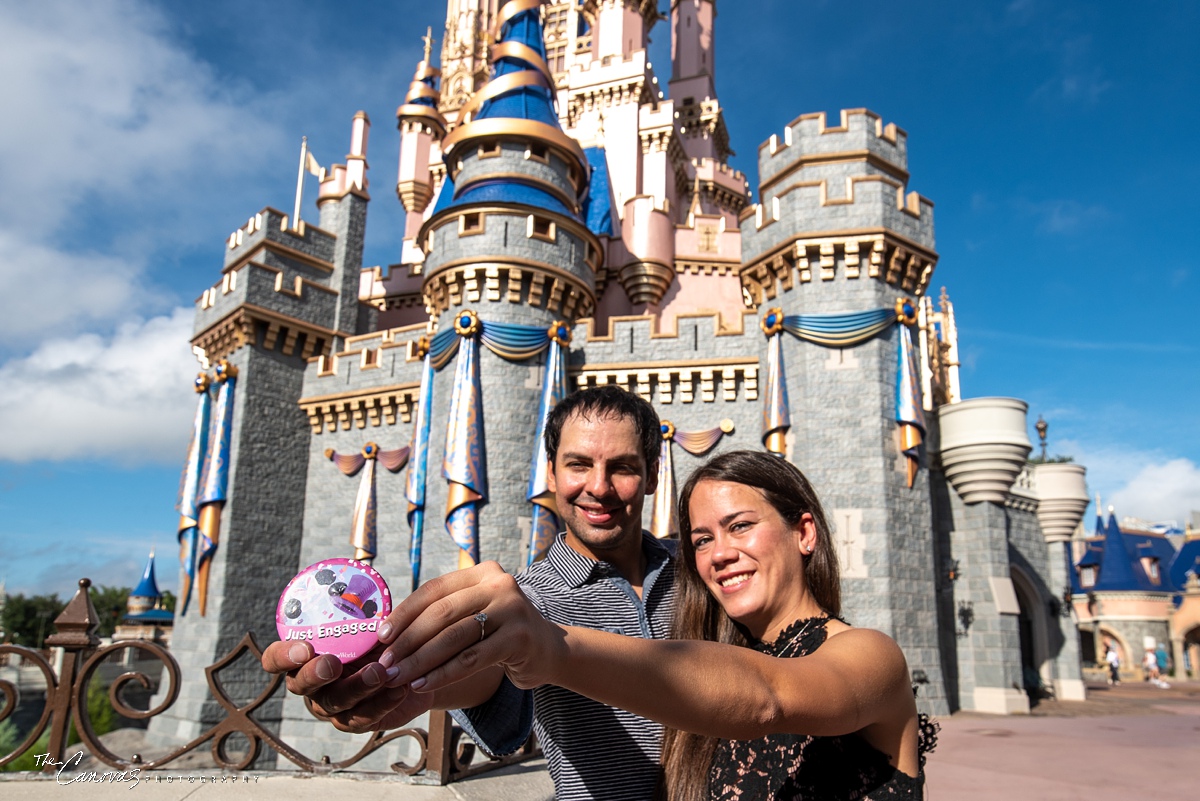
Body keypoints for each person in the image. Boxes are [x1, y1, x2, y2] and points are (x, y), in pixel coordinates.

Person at [380, 451, 931, 800]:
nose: (721, 554)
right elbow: (499, 687)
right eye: (702, 540)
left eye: (740, 526)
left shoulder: (869, 656)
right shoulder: (704, 659)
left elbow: (768, 696)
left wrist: (554, 648)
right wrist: (389, 672)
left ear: (804, 532)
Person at [262, 385, 675, 800]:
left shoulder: (700, 573)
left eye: (622, 467)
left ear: (653, 473)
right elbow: (489, 666)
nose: (599, 487)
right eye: (578, 464)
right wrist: (396, 676)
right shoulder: (527, 602)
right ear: (551, 473)